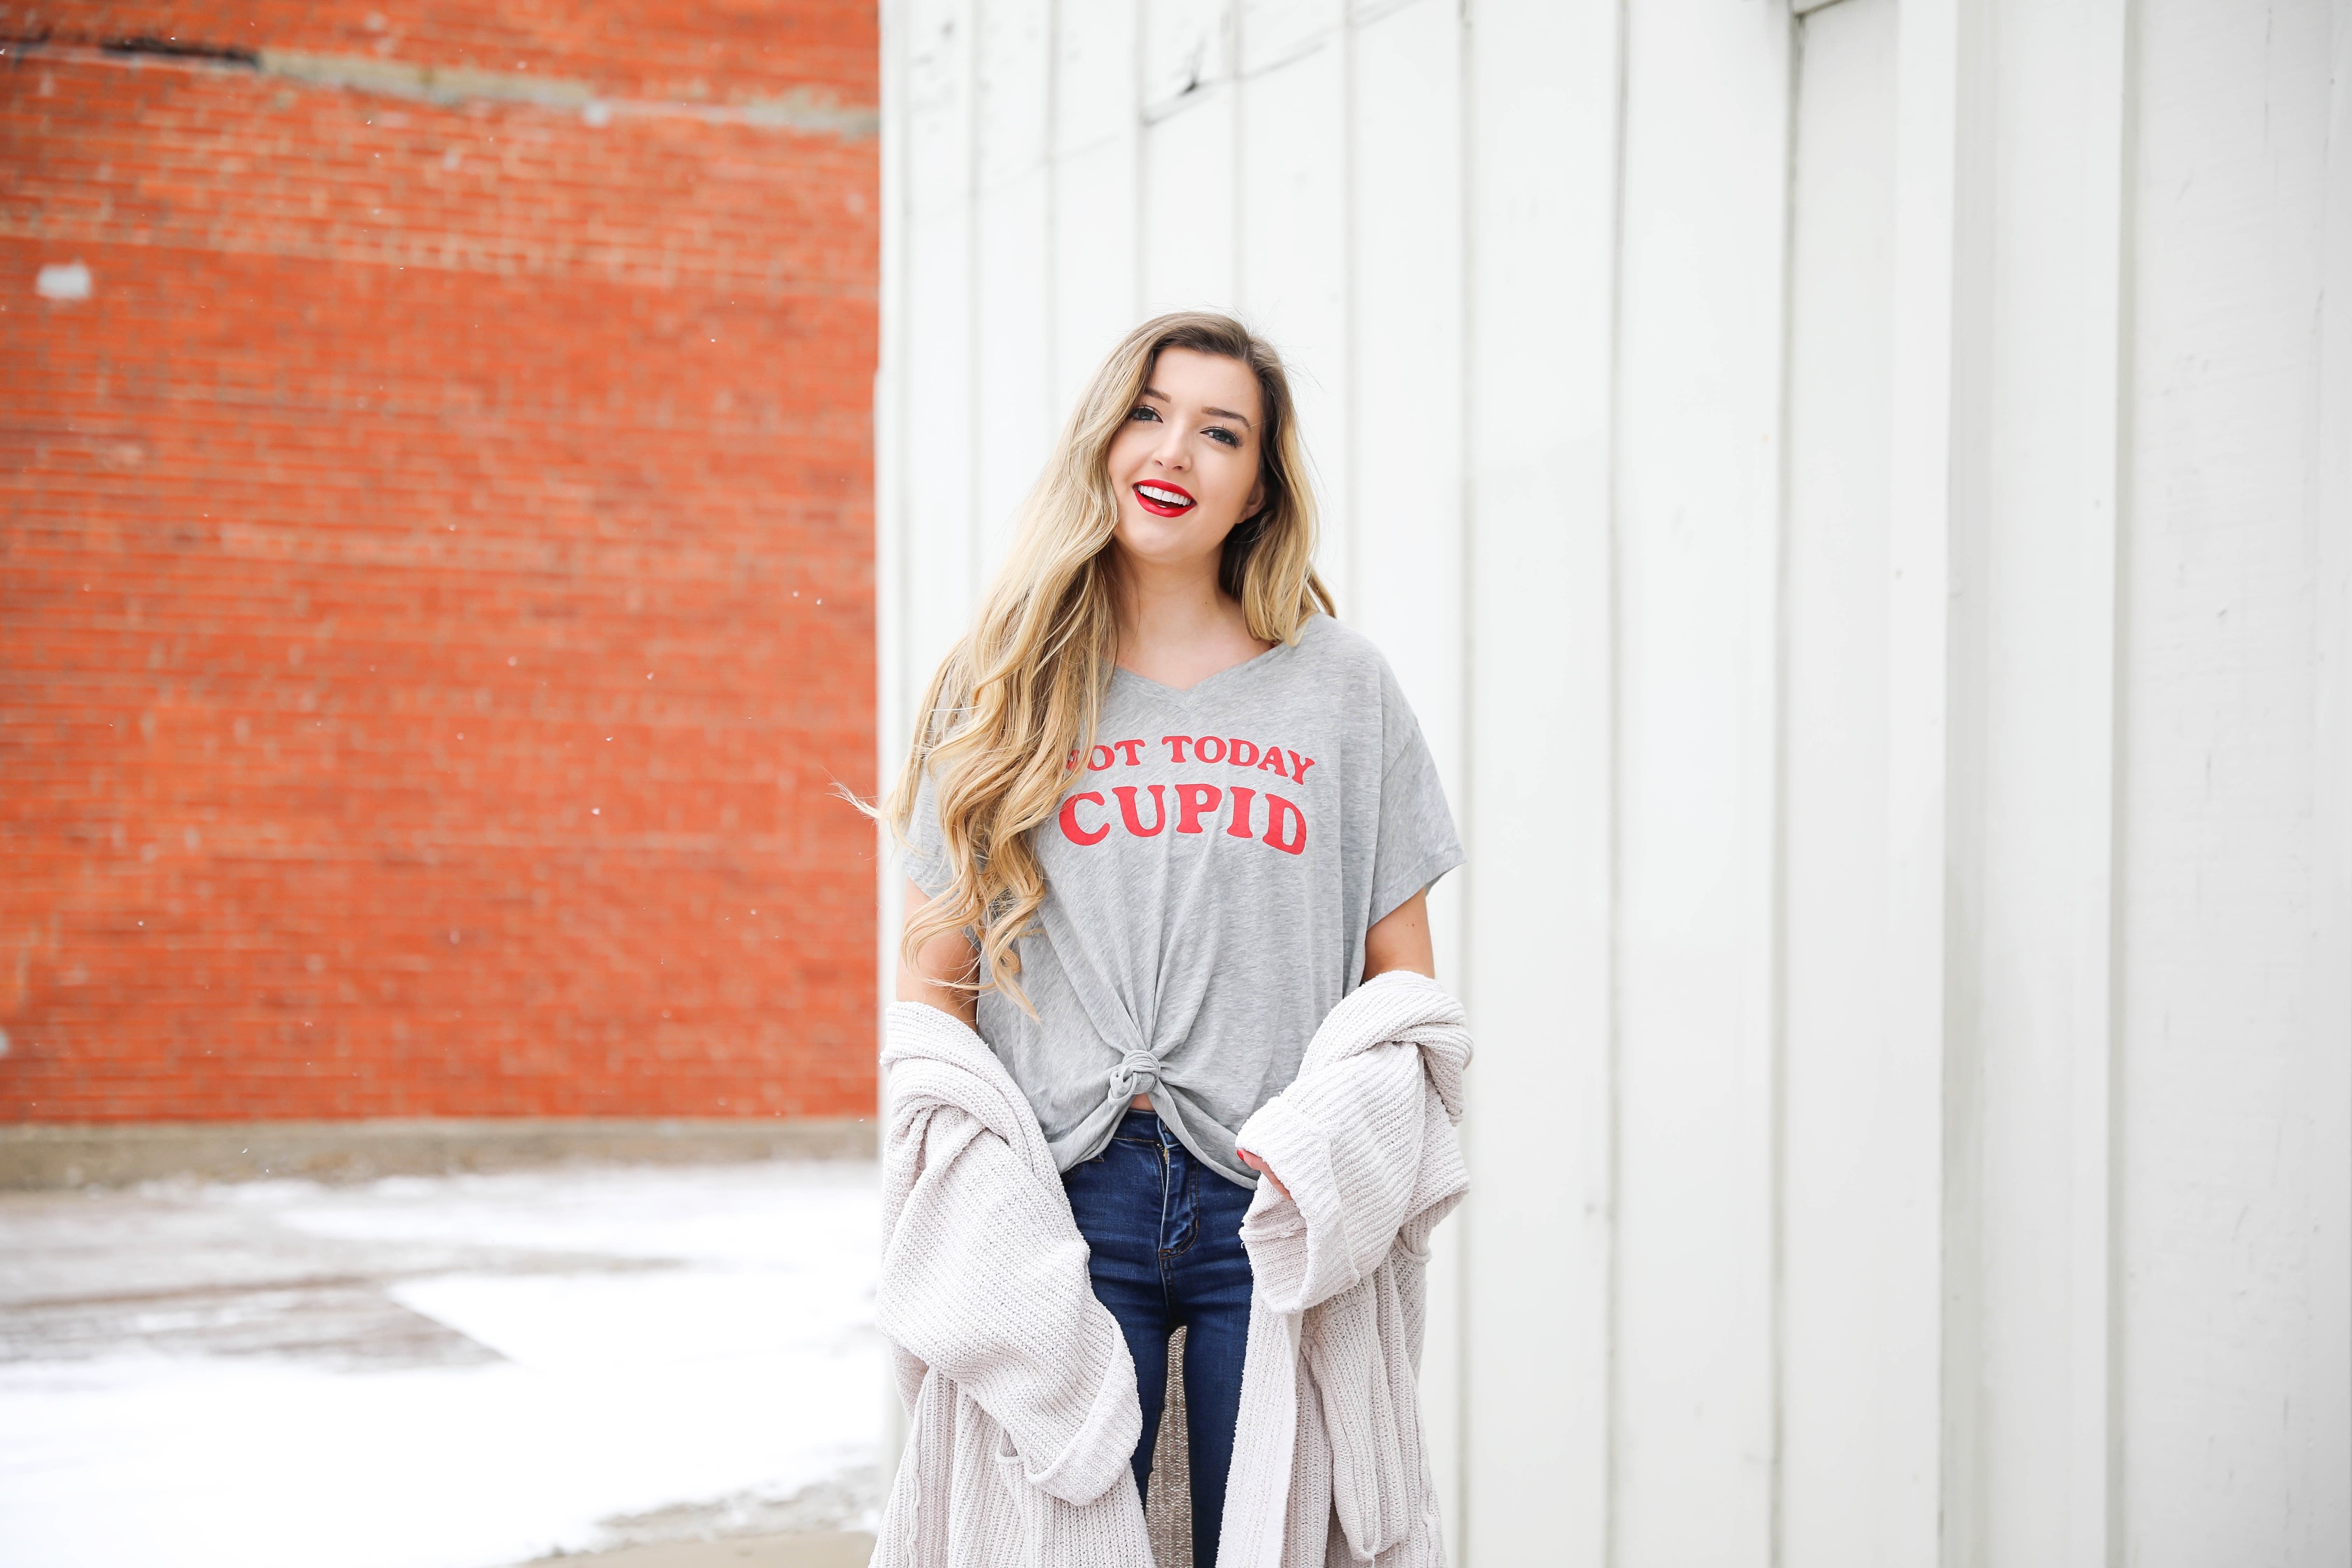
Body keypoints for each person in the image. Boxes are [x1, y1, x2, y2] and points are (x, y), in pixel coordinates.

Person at [883, 310, 1462, 1568]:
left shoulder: (1340, 689)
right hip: (1068, 1200)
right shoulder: (999, 682)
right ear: (1103, 439)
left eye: (1221, 432)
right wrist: (974, 1201)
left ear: (1259, 486)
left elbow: (1402, 992)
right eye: (1150, 413)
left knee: (1271, 1542)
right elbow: (933, 999)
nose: (1176, 451)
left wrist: (1331, 1155)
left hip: (1269, 1200)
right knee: (1063, 1535)